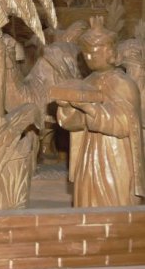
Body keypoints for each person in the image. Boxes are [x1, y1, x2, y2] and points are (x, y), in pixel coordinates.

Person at [55, 17, 145, 207]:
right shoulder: (88, 82)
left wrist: (91, 108)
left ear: (109, 53)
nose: (88, 58)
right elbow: (77, 122)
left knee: (114, 200)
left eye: (93, 53)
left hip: (115, 154)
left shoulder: (124, 83)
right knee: (87, 198)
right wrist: (67, 107)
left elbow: (126, 122)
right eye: (86, 54)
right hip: (89, 153)